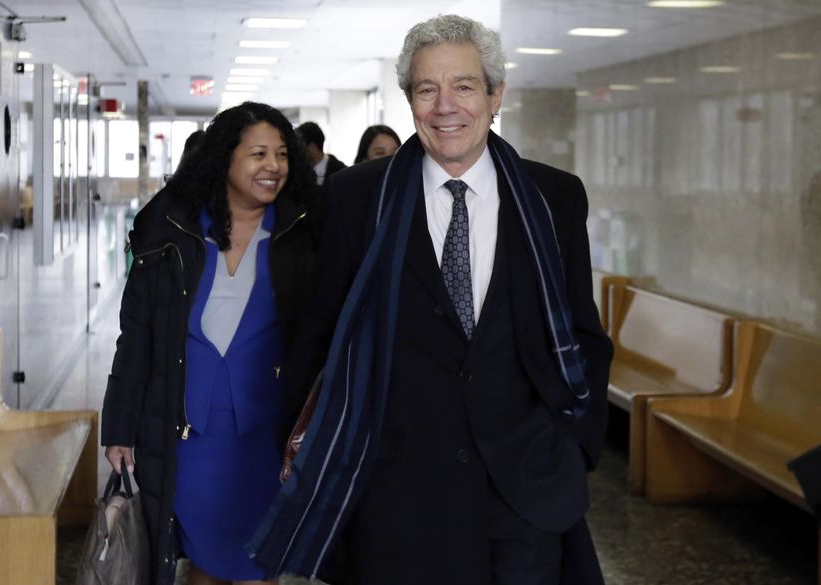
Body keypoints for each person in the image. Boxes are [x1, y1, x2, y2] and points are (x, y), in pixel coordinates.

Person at [251, 14, 614, 585]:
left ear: (496, 95)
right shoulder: (357, 198)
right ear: (410, 100)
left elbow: (582, 333)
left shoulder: (553, 197)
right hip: (396, 496)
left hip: (525, 490)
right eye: (427, 89)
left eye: (464, 86)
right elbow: (321, 334)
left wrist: (574, 451)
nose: (446, 106)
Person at [102, 102, 318, 585]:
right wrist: (119, 426)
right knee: (205, 556)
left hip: (268, 436)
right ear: (224, 159)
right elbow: (137, 334)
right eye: (258, 153)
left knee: (261, 558)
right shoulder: (172, 233)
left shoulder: (301, 237)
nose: (273, 166)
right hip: (192, 435)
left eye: (282, 155)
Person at [296, 121, 347, 185]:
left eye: (300, 147)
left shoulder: (341, 172)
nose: (298, 152)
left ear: (312, 147)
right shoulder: (298, 173)